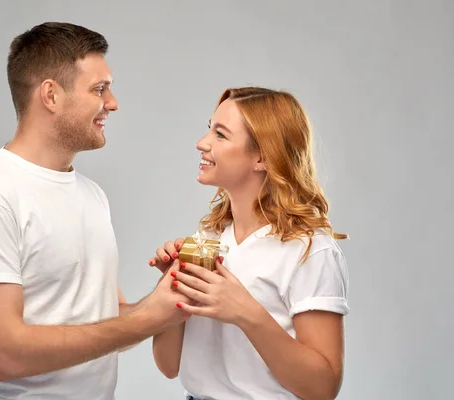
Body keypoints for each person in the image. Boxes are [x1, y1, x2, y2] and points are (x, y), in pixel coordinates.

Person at [0, 22, 188, 400]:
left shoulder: (92, 196)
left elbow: (107, 325)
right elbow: (6, 355)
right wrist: (146, 319)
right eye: (99, 89)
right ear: (51, 95)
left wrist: (160, 300)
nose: (113, 103)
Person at [149, 87, 350, 400]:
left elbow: (322, 388)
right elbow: (168, 366)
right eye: (208, 130)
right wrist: (170, 286)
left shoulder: (309, 250)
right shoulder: (208, 239)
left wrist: (246, 313)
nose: (202, 143)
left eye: (221, 135)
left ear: (263, 157)